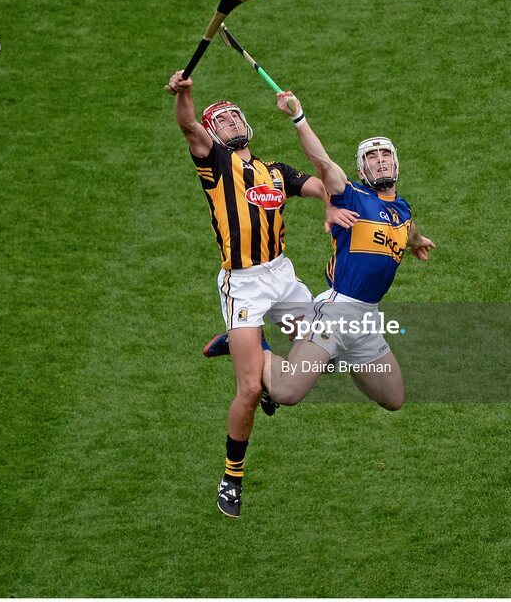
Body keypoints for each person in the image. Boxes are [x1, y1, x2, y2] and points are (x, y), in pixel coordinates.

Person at [166, 71, 354, 518]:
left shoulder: (274, 171)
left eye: (235, 116)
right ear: (214, 134)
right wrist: (187, 95)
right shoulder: (214, 162)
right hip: (244, 284)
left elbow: (318, 184)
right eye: (222, 120)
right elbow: (188, 125)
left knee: (327, 355)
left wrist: (329, 203)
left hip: (282, 276)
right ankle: (232, 477)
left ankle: (241, 342)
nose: (230, 122)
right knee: (250, 388)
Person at [262, 92, 436, 410]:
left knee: (394, 399)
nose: (380, 159)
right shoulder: (351, 194)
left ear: (396, 163)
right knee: (286, 393)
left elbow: (406, 229)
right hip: (337, 313)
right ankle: (252, 350)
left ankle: (324, 352)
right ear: (361, 169)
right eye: (371, 157)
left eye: (385, 154)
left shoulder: (403, 209)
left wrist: (417, 241)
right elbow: (322, 162)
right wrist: (299, 117)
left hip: (366, 319)